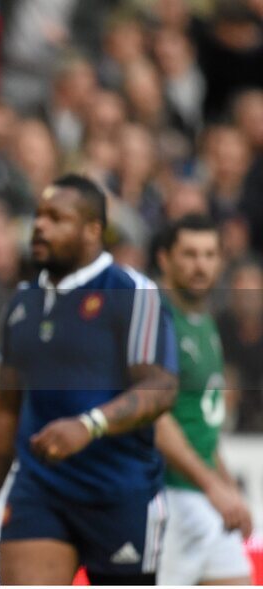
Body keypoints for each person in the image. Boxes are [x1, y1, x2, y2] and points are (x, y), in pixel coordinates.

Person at [0, 174, 179, 585]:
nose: (39, 226)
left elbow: (160, 388)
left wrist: (89, 425)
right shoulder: (22, 302)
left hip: (119, 491)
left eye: (56, 218)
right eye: (38, 216)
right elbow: (5, 406)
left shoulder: (133, 292)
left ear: (92, 231)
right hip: (39, 489)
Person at [154, 215, 254, 585]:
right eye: (190, 254)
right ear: (165, 259)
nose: (201, 265)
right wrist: (213, 486)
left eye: (210, 254)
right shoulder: (157, 318)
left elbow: (200, 422)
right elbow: (156, 418)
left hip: (203, 494)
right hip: (168, 497)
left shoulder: (204, 321)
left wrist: (227, 487)